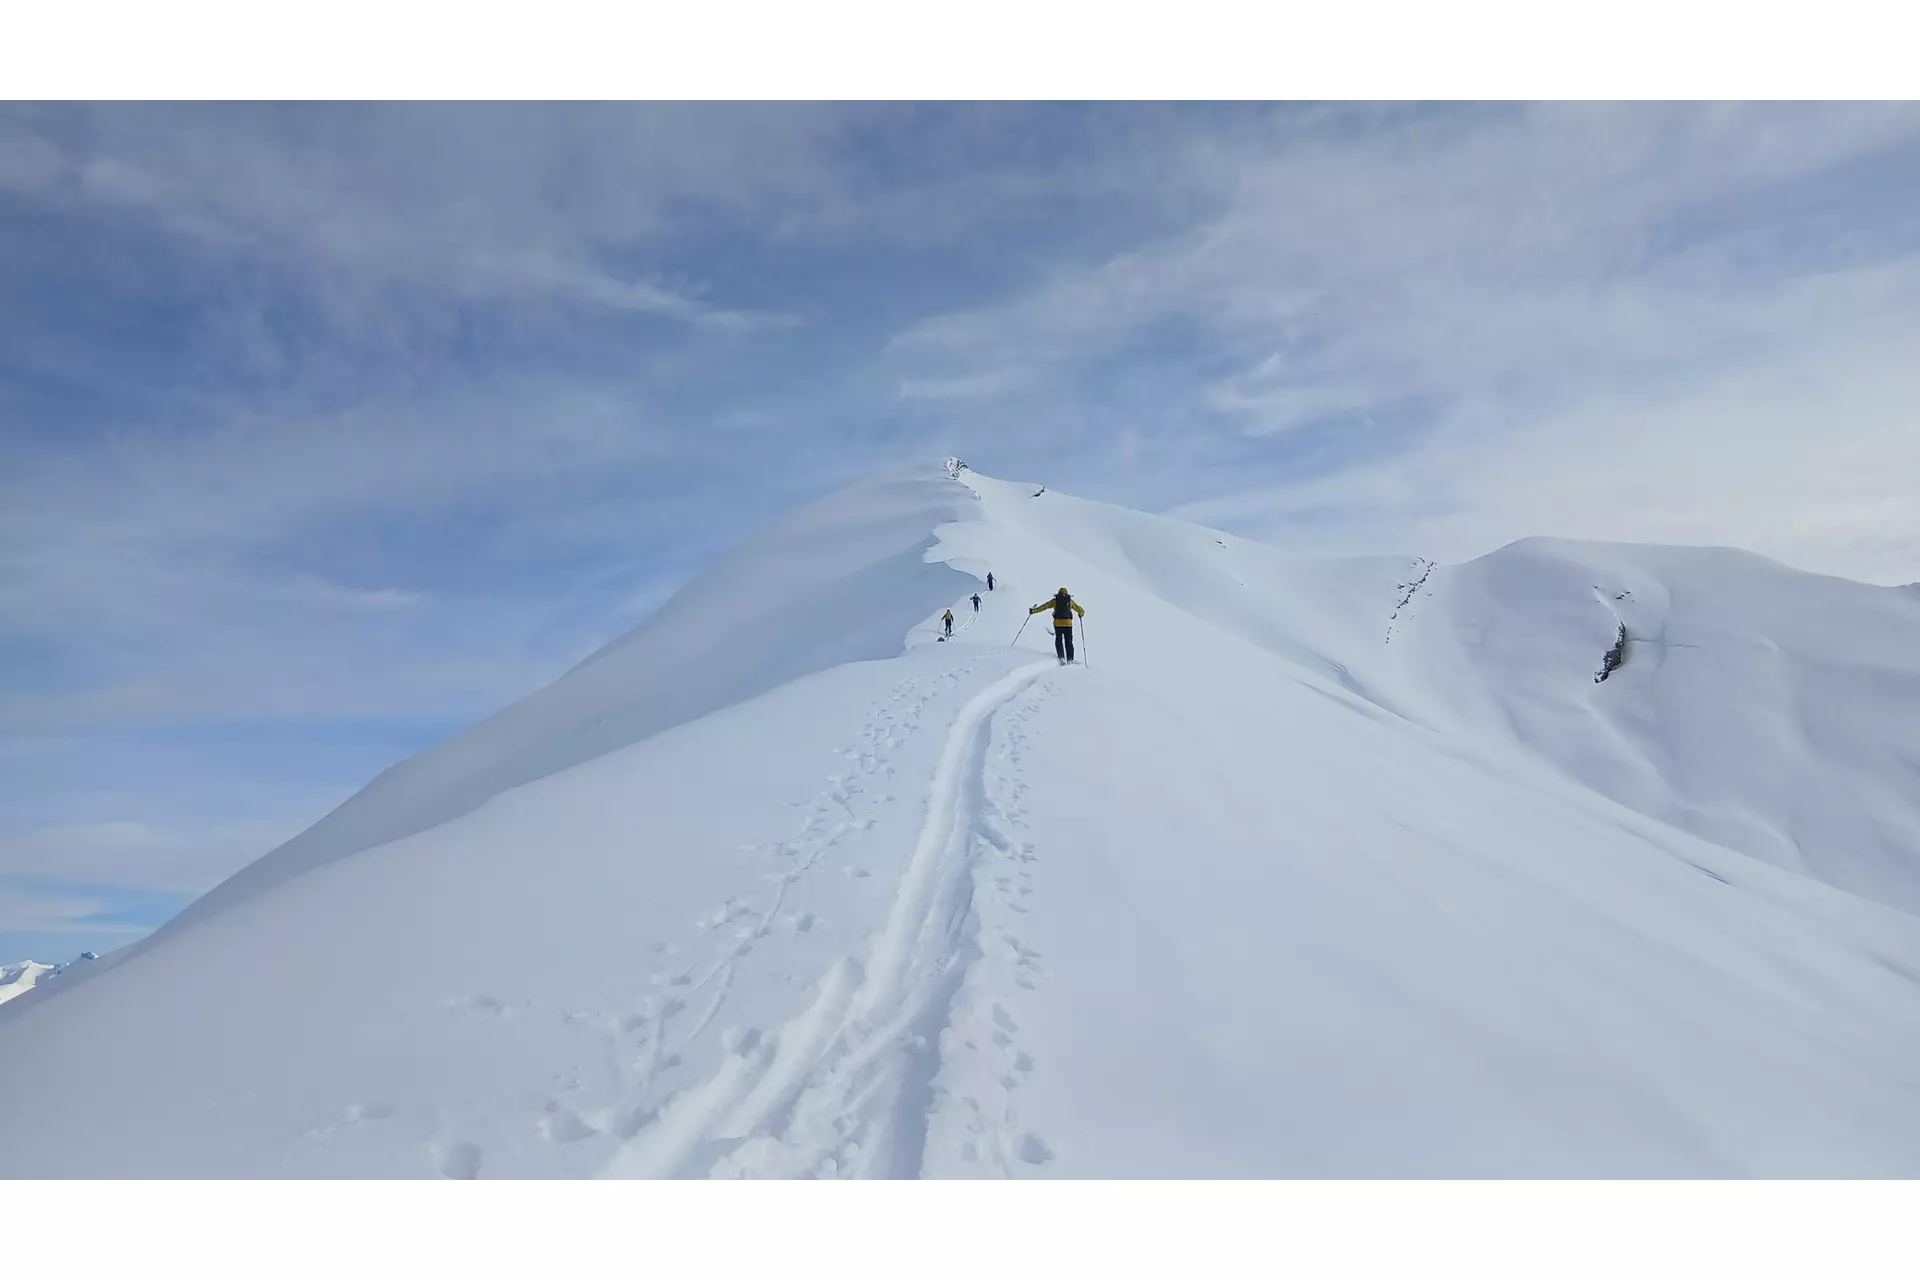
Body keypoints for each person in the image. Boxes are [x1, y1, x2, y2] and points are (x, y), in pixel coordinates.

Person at [1029, 587, 1085, 663]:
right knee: (1069, 641)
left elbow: (1044, 606)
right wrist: (1081, 614)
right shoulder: (1070, 601)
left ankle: (1061, 657)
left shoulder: (1054, 601)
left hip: (1057, 623)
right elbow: (1080, 610)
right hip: (1068, 624)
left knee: (1059, 640)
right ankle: (1070, 659)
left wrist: (1033, 611)